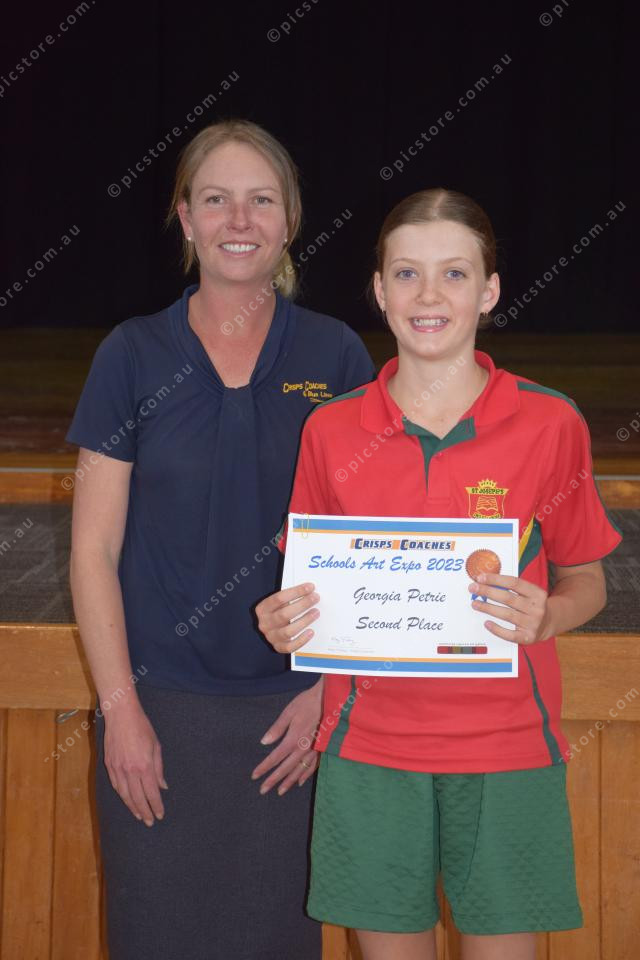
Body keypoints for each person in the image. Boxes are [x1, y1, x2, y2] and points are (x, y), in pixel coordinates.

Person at [256, 188, 622, 960]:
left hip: (506, 748)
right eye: (407, 274)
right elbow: (306, 590)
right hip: (368, 749)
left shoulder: (550, 423)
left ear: (489, 292)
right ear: (379, 290)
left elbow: (587, 577)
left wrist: (549, 614)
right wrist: (283, 620)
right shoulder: (330, 429)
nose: (429, 296)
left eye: (454, 274)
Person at [65, 119, 375, 960]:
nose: (239, 220)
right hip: (158, 715)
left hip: (293, 723)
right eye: (216, 200)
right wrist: (121, 711)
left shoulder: (336, 354)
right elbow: (92, 552)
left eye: (261, 200)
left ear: (290, 218)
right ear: (186, 218)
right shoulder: (131, 355)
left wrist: (328, 692)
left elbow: (367, 542)